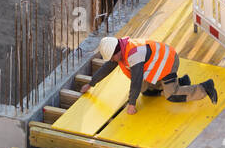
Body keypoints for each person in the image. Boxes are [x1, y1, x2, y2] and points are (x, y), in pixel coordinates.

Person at [82, 35, 217, 115]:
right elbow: (107, 67)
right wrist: (91, 83)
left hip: (167, 62)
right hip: (158, 65)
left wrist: (132, 104)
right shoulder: (120, 51)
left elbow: (136, 80)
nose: (111, 60)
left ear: (117, 52)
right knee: (146, 91)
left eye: (112, 58)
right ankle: (182, 82)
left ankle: (205, 88)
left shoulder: (134, 54)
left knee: (172, 96)